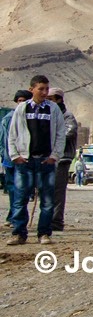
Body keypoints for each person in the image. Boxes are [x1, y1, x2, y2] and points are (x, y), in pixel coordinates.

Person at [6, 75, 66, 245]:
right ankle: (19, 234)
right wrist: (15, 156)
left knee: (47, 201)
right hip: (25, 161)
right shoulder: (22, 108)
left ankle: (44, 233)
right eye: (41, 89)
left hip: (45, 161)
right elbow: (13, 134)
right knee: (20, 199)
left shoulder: (53, 109)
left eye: (47, 89)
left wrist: (55, 156)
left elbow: (60, 134)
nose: (45, 92)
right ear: (32, 89)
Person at [47, 87, 78, 232]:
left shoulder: (67, 116)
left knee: (57, 191)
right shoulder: (49, 115)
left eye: (51, 99)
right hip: (48, 158)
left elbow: (69, 133)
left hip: (62, 158)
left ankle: (56, 221)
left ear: (59, 100)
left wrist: (51, 138)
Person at [3, 90, 32, 226]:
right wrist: (7, 155)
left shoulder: (32, 118)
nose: (21, 103)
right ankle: (14, 217)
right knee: (14, 190)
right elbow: (3, 140)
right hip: (11, 160)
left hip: (25, 159)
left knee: (22, 190)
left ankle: (15, 217)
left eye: (24, 101)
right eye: (19, 101)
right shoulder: (8, 118)